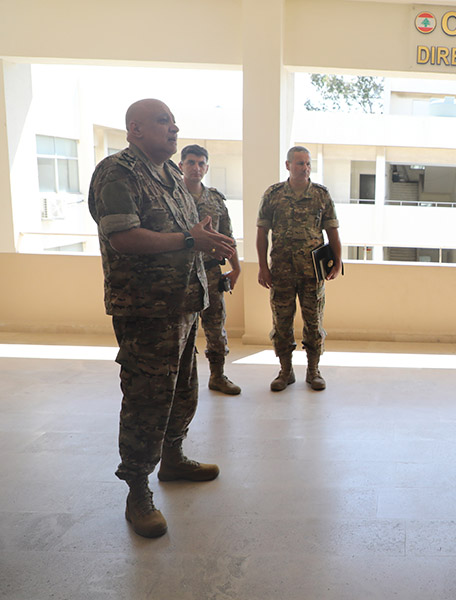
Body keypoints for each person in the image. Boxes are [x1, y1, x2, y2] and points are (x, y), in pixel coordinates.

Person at [88, 99, 236, 538]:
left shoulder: (172, 174)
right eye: (163, 122)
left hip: (184, 303)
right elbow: (125, 238)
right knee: (146, 399)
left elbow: (189, 237)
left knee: (184, 389)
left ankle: (172, 458)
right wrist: (191, 240)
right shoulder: (117, 173)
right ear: (135, 129)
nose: (174, 129)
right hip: (146, 309)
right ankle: (137, 490)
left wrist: (205, 241)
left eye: (173, 122)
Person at [257, 146, 342, 392]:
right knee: (282, 323)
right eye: (299, 164)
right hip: (281, 271)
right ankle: (285, 370)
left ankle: (313, 370)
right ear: (288, 165)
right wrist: (263, 267)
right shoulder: (273, 195)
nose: (304, 168)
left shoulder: (320, 195)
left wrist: (337, 262)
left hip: (312, 273)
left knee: (314, 323)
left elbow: (332, 231)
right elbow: (261, 232)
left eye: (307, 164)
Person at [179, 144, 241, 395]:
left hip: (211, 273)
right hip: (181, 275)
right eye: (191, 162)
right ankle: (182, 380)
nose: (196, 168)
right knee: (182, 329)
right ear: (181, 165)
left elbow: (228, 237)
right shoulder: (172, 197)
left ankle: (217, 375)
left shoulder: (215, 200)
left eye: (201, 163)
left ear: (206, 167)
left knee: (216, 327)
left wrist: (236, 268)